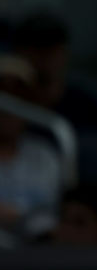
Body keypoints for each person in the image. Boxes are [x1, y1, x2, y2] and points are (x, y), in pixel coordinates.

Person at [0, 53, 62, 241]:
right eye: (2, 92)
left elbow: (55, 218)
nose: (8, 107)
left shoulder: (45, 156)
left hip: (37, 259)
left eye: (17, 95)